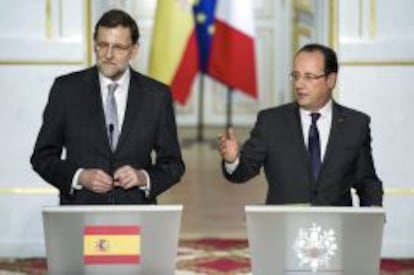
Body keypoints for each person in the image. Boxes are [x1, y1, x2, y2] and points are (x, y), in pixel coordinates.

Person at [31, 9, 185, 204]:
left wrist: (142, 177)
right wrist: (80, 177)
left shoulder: (156, 95)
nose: (109, 54)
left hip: (135, 215)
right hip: (82, 213)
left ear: (134, 50)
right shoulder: (66, 90)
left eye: (119, 47)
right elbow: (42, 157)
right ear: (95, 46)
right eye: (103, 45)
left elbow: (173, 165)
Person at [218, 43, 383, 206]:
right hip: (285, 227)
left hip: (335, 229)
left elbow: (367, 182)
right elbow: (243, 172)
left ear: (330, 80)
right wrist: (232, 161)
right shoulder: (271, 122)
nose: (299, 84)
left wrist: (370, 222)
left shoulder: (355, 125)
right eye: (296, 76)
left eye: (309, 77)